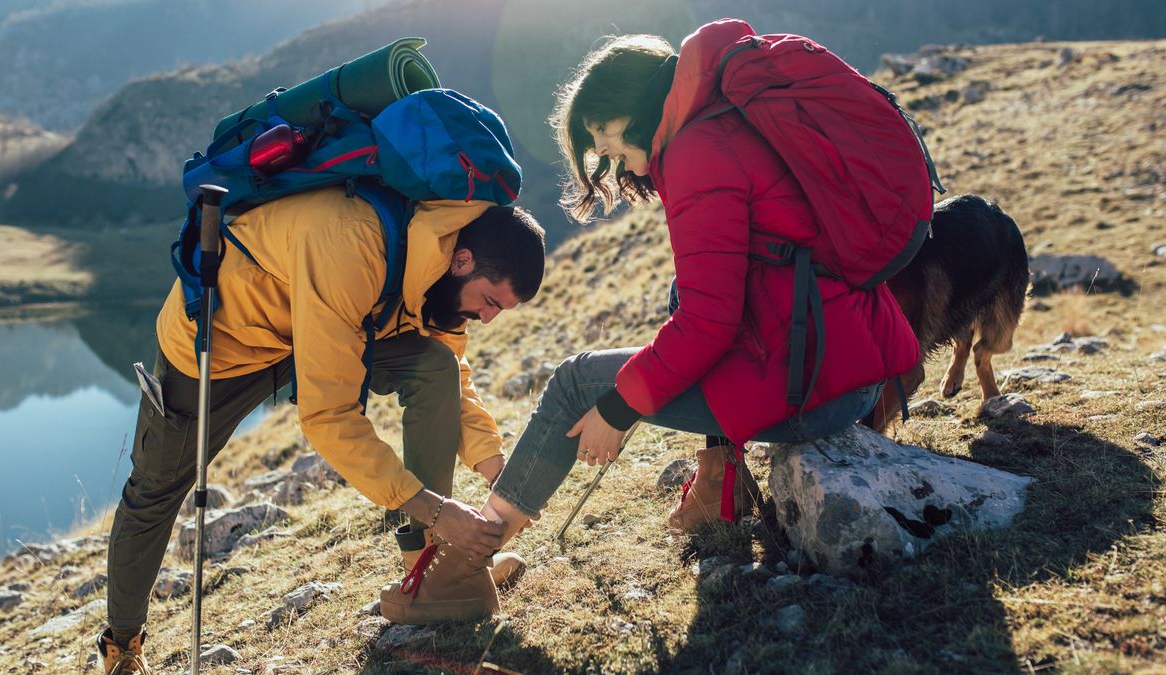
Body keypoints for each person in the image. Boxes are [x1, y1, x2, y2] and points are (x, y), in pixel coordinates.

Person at [379, 19, 921, 625]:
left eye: (602, 133)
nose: (606, 153)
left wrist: (617, 408)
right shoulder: (725, 119)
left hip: (810, 384)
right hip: (841, 359)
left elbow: (709, 323)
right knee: (674, 293)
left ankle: (458, 573)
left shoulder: (696, 150)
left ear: (632, 108)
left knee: (576, 384)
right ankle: (721, 487)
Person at [96, 186, 546, 671]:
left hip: (315, 326)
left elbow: (452, 370)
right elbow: (328, 416)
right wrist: (434, 508)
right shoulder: (352, 244)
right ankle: (123, 645)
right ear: (462, 260)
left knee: (433, 366)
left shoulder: (434, 270)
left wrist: (493, 465)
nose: (487, 318)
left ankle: (428, 578)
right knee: (156, 488)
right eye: (489, 302)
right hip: (224, 341)